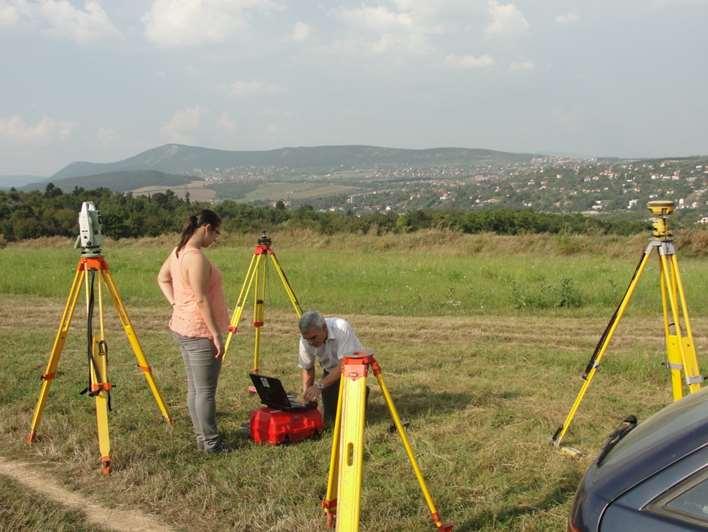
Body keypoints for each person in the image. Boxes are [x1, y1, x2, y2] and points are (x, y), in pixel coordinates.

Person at [157, 209, 230, 453]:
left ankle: (202, 438)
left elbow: (162, 279)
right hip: (199, 332)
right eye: (216, 232)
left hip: (183, 326)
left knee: (195, 388)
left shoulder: (178, 252)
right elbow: (200, 299)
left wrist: (176, 303)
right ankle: (211, 443)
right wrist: (216, 335)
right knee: (205, 391)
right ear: (206, 228)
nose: (216, 238)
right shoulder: (195, 257)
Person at [298, 310, 365, 424]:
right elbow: (308, 368)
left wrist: (319, 386)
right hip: (330, 370)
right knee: (331, 418)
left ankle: (362, 392)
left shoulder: (341, 328)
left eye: (313, 338)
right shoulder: (305, 340)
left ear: (324, 328)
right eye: (307, 339)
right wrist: (307, 395)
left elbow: (344, 364)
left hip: (354, 369)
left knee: (350, 417)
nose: (310, 342)